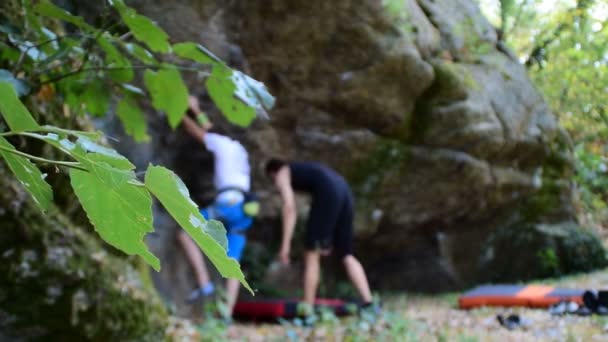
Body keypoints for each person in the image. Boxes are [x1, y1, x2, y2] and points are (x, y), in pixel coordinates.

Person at [177, 95, 257, 318]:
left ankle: (204, 285)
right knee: (233, 264)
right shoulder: (237, 148)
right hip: (245, 209)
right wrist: (196, 109)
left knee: (185, 234)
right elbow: (210, 128)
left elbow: (199, 133)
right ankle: (226, 317)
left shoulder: (220, 144)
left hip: (227, 204)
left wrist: (179, 111)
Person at [264, 159, 376, 312]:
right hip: (344, 190)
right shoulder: (306, 169)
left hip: (328, 191)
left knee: (311, 252)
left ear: (273, 172)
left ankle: (307, 309)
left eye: (272, 180)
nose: (275, 184)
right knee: (346, 254)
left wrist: (285, 246)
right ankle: (369, 302)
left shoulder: (283, 172)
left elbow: (289, 207)